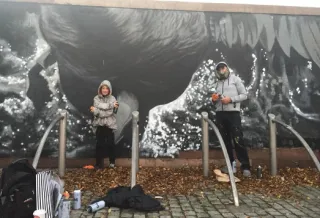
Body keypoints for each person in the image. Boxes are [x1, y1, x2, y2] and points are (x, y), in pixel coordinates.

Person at [211, 61, 251, 177]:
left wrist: (231, 99)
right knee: (225, 141)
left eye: (223, 68)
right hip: (220, 114)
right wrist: (213, 99)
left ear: (227, 68)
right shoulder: (217, 83)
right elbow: (214, 100)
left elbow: (244, 95)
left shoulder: (235, 80)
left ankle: (245, 166)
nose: (221, 70)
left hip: (233, 114)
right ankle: (231, 165)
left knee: (238, 139)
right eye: (219, 69)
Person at [90, 80, 119, 169]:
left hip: (109, 126)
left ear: (109, 89)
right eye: (103, 88)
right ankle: (98, 164)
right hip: (100, 125)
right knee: (99, 145)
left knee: (111, 144)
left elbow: (110, 112)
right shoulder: (96, 98)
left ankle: (112, 163)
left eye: (107, 88)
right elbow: (96, 113)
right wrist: (110, 106)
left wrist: (98, 110)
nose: (105, 90)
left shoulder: (113, 98)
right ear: (100, 89)